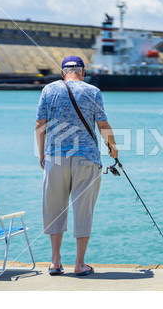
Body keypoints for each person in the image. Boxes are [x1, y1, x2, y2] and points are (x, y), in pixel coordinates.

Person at [35, 56, 117, 276]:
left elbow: (39, 124)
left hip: (55, 158)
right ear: (83, 72)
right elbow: (102, 124)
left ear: (63, 73)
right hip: (86, 158)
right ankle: (80, 264)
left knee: (54, 208)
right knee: (83, 210)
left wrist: (42, 153)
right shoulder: (93, 91)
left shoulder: (48, 90)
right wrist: (113, 148)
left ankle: (54, 262)